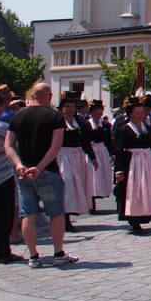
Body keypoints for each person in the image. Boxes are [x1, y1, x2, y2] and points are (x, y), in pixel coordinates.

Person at [5, 82, 79, 268]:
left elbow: (8, 145)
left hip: (23, 172)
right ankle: (58, 253)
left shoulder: (18, 116)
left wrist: (19, 165)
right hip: (47, 170)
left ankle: (33, 256)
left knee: (28, 214)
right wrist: (39, 167)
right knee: (56, 213)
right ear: (49, 95)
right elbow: (56, 147)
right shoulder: (54, 116)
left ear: (33, 96)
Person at [113, 96, 151, 234]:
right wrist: (119, 170)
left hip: (146, 162)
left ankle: (144, 215)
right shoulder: (124, 129)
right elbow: (118, 150)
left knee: (145, 189)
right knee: (134, 191)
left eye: (142, 113)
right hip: (132, 163)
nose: (140, 116)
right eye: (137, 113)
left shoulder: (146, 127)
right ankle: (133, 219)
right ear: (130, 114)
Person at [57, 91, 97, 232]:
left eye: (72, 106)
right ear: (62, 107)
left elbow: (86, 142)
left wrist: (92, 157)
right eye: (67, 106)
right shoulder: (57, 121)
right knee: (66, 183)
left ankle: (70, 214)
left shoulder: (80, 123)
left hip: (76, 156)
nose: (70, 109)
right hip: (62, 156)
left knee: (75, 186)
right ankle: (64, 218)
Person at [0, 92, 21, 263]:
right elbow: (13, 148)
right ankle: (2, 253)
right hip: (2, 176)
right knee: (2, 218)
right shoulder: (2, 128)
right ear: (0, 106)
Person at [84, 99, 113, 213]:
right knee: (92, 176)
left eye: (100, 113)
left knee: (100, 175)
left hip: (102, 150)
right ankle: (91, 201)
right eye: (96, 113)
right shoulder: (86, 125)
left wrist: (111, 154)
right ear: (90, 113)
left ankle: (98, 193)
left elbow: (108, 141)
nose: (99, 115)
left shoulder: (105, 125)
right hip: (91, 150)